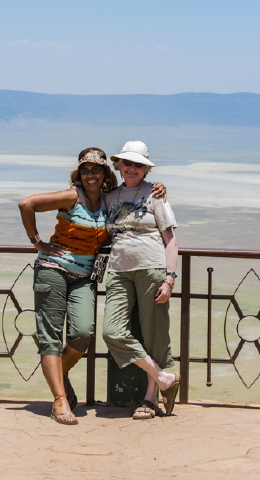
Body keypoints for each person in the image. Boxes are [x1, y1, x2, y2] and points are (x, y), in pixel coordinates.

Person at [18, 147, 166, 425]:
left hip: (84, 277)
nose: (90, 175)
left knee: (83, 334)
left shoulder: (109, 199)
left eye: (96, 169)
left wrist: (157, 186)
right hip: (52, 270)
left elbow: (134, 195)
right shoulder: (72, 196)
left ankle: (57, 374)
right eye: (85, 170)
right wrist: (38, 243)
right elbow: (27, 204)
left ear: (105, 173)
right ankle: (60, 400)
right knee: (51, 337)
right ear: (79, 173)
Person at [102, 141, 180, 420]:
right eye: (127, 163)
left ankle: (150, 398)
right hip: (118, 271)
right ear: (119, 166)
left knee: (154, 334)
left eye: (138, 164)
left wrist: (169, 279)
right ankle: (164, 377)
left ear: (145, 169)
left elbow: (171, 240)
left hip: (152, 269)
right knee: (111, 331)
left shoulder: (155, 195)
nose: (132, 168)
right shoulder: (110, 196)